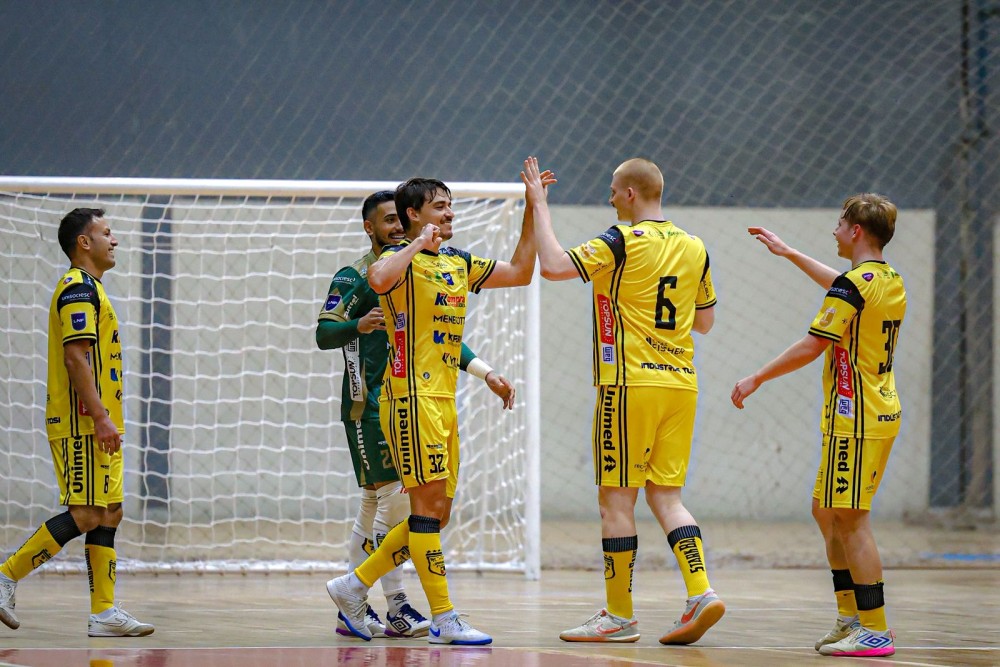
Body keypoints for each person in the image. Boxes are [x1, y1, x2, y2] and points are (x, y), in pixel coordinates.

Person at [328, 172, 550, 645]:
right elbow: (379, 279)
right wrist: (416, 244)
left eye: (451, 205)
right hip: (408, 399)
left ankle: (354, 584)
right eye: (439, 206)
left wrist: (534, 207)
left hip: (444, 400)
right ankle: (444, 618)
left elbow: (520, 271)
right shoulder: (397, 258)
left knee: (437, 514)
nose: (450, 213)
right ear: (413, 215)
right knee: (424, 513)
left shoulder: (457, 261)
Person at [522, 156, 724, 645]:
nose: (610, 197)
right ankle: (701, 591)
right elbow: (704, 321)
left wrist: (539, 204)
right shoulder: (695, 245)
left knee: (616, 500)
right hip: (681, 384)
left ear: (631, 193)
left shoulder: (620, 240)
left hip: (628, 385)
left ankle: (619, 616)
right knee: (667, 497)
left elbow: (553, 266)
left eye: (614, 190)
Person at [731, 194, 905, 658]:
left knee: (850, 519)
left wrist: (756, 378)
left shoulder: (856, 285)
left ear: (856, 231)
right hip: (872, 412)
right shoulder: (886, 278)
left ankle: (875, 629)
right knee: (826, 511)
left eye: (840, 223)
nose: (834, 230)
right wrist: (789, 253)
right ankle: (850, 617)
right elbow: (842, 287)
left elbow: (813, 345)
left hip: (858, 418)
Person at [0, 208, 154, 637]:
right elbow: (75, 358)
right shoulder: (77, 289)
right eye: (106, 232)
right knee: (85, 513)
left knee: (109, 513)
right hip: (82, 422)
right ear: (84, 243)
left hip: (101, 423)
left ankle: (103, 613)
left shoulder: (94, 289)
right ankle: (6, 575)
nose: (114, 240)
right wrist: (100, 417)